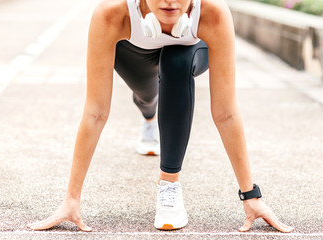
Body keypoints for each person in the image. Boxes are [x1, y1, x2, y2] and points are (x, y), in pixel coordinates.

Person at [27, 0, 294, 233]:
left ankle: (169, 185)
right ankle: (148, 113)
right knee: (147, 96)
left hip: (187, 53)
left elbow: (225, 113)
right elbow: (95, 112)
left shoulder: (212, 13)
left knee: (175, 61)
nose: (169, 1)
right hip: (134, 55)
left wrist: (251, 195)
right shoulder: (112, 13)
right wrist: (71, 199)